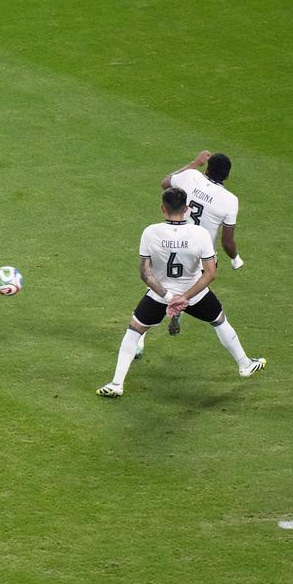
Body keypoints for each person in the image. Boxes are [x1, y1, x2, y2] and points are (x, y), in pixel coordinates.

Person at [97, 188, 265, 398]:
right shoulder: (200, 234)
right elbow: (210, 273)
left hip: (160, 294)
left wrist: (169, 297)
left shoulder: (150, 232)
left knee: (134, 330)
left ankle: (116, 383)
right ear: (186, 209)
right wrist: (184, 298)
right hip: (195, 294)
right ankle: (245, 364)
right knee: (219, 320)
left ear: (162, 209)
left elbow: (145, 273)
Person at [156, 150, 243, 339]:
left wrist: (195, 163)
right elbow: (227, 241)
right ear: (227, 176)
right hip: (201, 256)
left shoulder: (190, 176)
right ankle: (242, 359)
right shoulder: (230, 201)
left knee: (159, 292)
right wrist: (235, 258)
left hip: (173, 245)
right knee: (212, 312)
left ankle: (139, 339)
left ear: (208, 167)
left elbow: (165, 183)